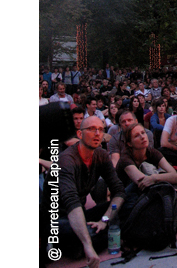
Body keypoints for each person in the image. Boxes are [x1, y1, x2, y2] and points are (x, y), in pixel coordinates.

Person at [45, 115, 126, 268]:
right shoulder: (66, 159)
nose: (97, 133)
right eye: (91, 129)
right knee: (79, 233)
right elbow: (71, 201)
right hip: (58, 218)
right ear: (80, 134)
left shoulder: (101, 155)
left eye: (101, 130)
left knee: (124, 206)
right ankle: (83, 243)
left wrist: (105, 220)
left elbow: (118, 190)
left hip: (80, 214)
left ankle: (84, 242)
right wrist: (88, 245)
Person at [115, 123, 177, 237]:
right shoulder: (125, 158)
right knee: (155, 189)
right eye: (136, 136)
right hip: (128, 200)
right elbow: (142, 182)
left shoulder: (151, 152)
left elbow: (173, 176)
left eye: (143, 133)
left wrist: (155, 177)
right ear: (129, 143)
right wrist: (175, 192)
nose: (142, 137)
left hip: (148, 194)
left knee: (159, 187)